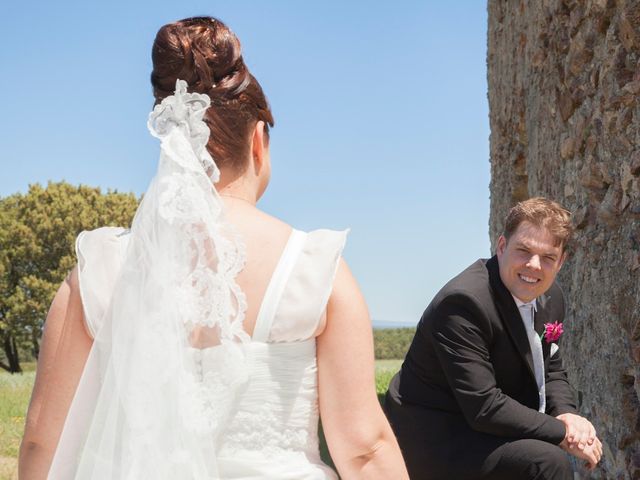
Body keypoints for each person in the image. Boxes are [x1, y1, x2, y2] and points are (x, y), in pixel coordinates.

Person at [19, 17, 409, 480]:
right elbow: (364, 449)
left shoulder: (98, 270)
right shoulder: (314, 268)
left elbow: (45, 440)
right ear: (258, 141)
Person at [385, 197, 603, 479]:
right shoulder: (463, 303)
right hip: (437, 436)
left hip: (485, 428)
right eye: (524, 251)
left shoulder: (551, 297)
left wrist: (567, 415)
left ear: (561, 261)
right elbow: (483, 405)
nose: (534, 266)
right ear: (502, 247)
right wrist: (564, 434)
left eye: (548, 257)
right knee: (545, 462)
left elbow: (551, 369)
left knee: (544, 455)